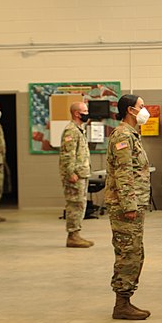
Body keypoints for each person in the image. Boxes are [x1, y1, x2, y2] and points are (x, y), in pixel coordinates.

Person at [105, 94, 151, 320]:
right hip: (126, 206)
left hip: (133, 203)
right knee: (128, 253)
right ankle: (121, 304)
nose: (145, 110)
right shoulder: (123, 135)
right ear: (131, 111)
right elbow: (124, 173)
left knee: (135, 252)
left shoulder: (132, 135)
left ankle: (125, 300)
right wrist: (129, 205)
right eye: (142, 106)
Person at [59, 101, 94, 248]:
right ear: (76, 113)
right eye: (85, 111)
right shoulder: (71, 130)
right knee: (75, 204)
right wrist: (70, 173)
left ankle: (76, 234)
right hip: (75, 175)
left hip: (81, 173)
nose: (87, 113)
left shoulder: (79, 129)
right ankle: (72, 236)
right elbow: (67, 155)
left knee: (80, 204)